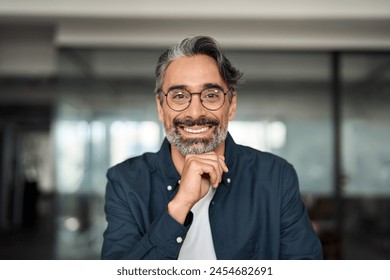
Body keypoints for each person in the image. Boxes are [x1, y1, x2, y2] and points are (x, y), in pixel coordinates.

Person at [101, 35, 323, 260]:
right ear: (160, 107)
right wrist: (180, 204)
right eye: (179, 96)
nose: (195, 113)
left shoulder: (276, 177)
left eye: (211, 95)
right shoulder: (125, 182)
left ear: (231, 104)